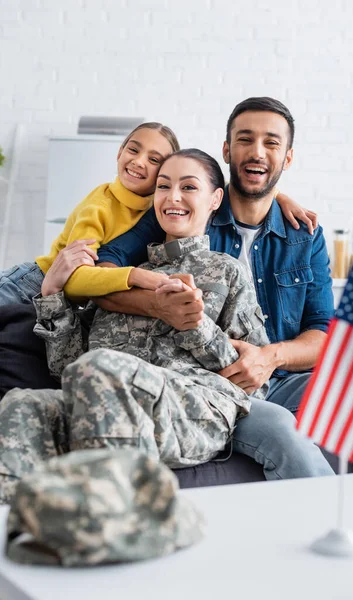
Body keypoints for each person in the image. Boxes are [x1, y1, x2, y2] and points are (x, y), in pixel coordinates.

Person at [0, 149, 333, 505]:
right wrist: (51, 294)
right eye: (163, 186)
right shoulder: (116, 282)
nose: (173, 197)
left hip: (197, 405)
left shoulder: (226, 272)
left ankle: (121, 524)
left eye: (188, 187)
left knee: (102, 370)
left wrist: (195, 324)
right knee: (21, 404)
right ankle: (19, 543)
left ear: (215, 199)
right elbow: (68, 368)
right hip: (105, 397)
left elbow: (254, 382)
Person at [88, 96, 335, 470]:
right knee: (281, 430)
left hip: (284, 377)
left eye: (271, 143)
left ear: (287, 158)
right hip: (217, 384)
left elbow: (324, 333)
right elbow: (104, 272)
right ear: (226, 149)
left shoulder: (304, 235)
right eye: (244, 140)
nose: (256, 152)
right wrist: (158, 304)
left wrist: (271, 357)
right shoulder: (186, 214)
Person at [0, 121, 312, 306]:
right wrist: (140, 277)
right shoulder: (100, 204)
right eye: (133, 150)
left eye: (154, 160)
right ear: (119, 152)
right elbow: (75, 278)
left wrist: (278, 196)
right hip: (30, 282)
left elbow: (209, 184)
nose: (138, 162)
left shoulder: (159, 204)